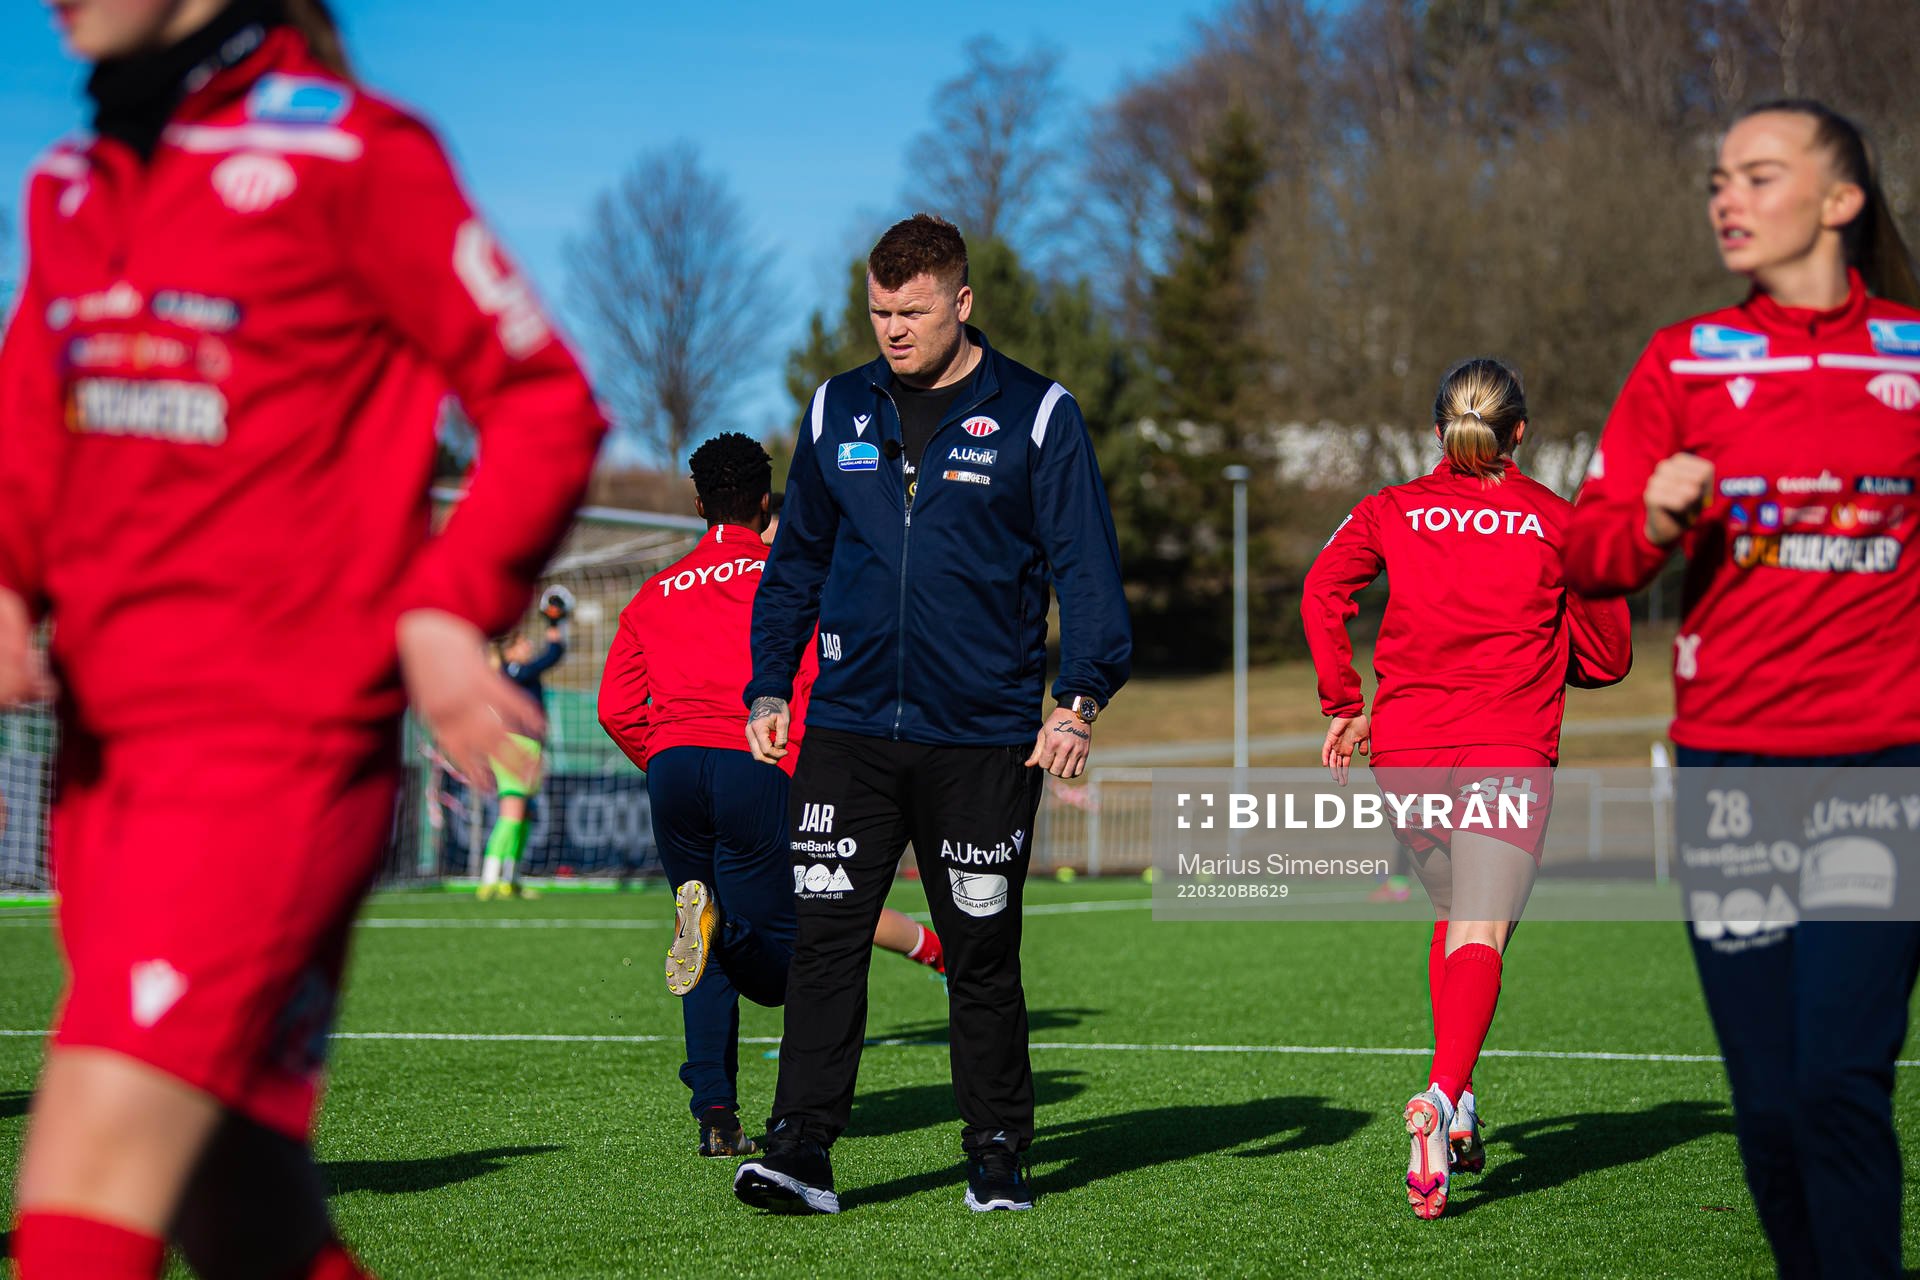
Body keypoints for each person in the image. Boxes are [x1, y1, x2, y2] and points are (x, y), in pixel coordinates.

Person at [0, 2, 606, 1277]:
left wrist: (446, 606)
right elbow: (33, 422)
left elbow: (543, 396)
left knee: (83, 1188)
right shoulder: (68, 180)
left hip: (271, 758)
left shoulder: (354, 154)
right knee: (237, 1202)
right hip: (103, 765)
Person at [1565, 100, 1920, 1277]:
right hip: (1731, 770)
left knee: (1839, 1082)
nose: (1727, 196)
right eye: (1719, 178)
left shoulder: (1911, 354)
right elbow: (1588, 553)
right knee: (1767, 1106)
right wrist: (1654, 516)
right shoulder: (1684, 360)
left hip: (1885, 765)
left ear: (1840, 199)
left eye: (1759, 176)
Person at [730, 213, 1130, 1216]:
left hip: (983, 735)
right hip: (850, 729)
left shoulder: (1040, 415)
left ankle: (997, 1149)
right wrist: (770, 682)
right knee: (827, 938)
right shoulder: (836, 409)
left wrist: (1076, 701)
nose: (893, 330)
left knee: (982, 951)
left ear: (962, 301)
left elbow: (1086, 570)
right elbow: (797, 564)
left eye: (911, 311)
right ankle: (801, 1151)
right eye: (878, 311)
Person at [1304, 357, 1631, 1220]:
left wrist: (1346, 702)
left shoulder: (1390, 509)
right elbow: (1612, 654)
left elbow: (1320, 591)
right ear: (1519, 431)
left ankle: (1464, 1101)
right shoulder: (1559, 520)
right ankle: (1440, 1098)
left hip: (1406, 750)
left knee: (1458, 924)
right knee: (1485, 927)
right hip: (1508, 745)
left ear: (1435, 429)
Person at [598, 432, 945, 1158]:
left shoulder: (653, 591)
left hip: (671, 769)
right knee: (791, 959)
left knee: (703, 942)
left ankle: (716, 1115)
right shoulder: (792, 580)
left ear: (697, 505)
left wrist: (662, 756)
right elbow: (820, 681)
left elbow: (615, 707)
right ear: (765, 502)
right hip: (755, 764)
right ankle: (726, 930)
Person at [477, 609, 566, 901]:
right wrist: (554, 624)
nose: (529, 647)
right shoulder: (512, 673)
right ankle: (489, 879)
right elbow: (552, 655)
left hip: (530, 746)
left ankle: (510, 879)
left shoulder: (519, 674)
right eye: (524, 643)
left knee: (524, 814)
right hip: (513, 746)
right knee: (512, 813)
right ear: (510, 652)